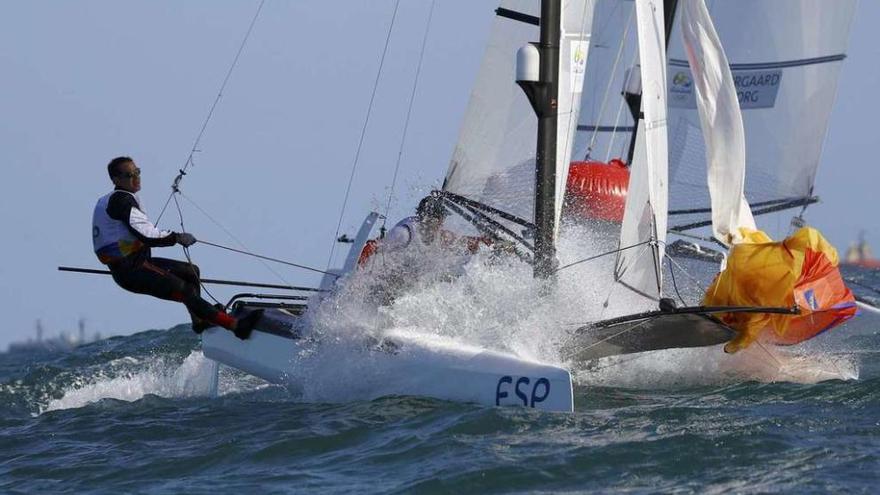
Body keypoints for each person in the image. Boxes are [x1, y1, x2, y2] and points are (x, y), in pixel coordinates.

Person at [92, 156, 262, 339]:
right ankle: (236, 327)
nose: (136, 177)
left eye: (137, 172)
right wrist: (178, 237)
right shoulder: (121, 201)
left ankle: (200, 320)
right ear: (116, 180)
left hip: (138, 263)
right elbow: (146, 235)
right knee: (185, 290)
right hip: (131, 270)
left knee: (191, 271)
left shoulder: (118, 198)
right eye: (129, 175)